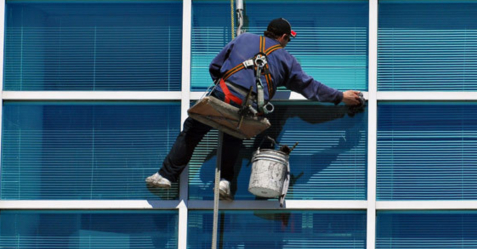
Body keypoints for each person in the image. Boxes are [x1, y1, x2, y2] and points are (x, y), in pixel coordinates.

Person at [146, 18, 363, 200]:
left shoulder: (243, 39)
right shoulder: (287, 60)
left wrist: (227, 85)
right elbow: (309, 87)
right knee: (234, 137)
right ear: (284, 37)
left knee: (192, 133)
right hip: (246, 107)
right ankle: (224, 183)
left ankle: (165, 177)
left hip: (222, 94)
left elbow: (215, 66)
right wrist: (341, 96)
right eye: (288, 39)